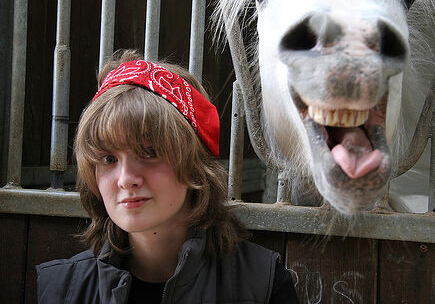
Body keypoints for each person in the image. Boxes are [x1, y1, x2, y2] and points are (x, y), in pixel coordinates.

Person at [36, 50, 298, 303]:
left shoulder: (262, 283)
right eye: (109, 159)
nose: (126, 179)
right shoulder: (62, 288)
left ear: (195, 165)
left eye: (148, 153)